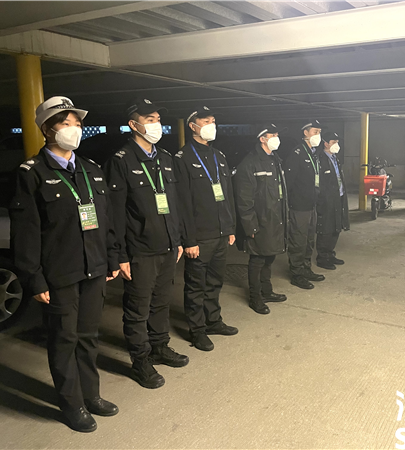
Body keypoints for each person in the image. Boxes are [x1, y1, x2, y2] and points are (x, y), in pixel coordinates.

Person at [10, 96, 120, 432]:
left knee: (88, 336)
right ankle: (72, 405)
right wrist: (34, 278)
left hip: (94, 268)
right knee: (63, 339)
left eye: (77, 124)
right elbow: (26, 232)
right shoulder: (32, 173)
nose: (74, 129)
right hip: (60, 273)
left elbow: (106, 220)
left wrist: (112, 257)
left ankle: (91, 395)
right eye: (65, 124)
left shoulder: (91, 169)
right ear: (47, 129)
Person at [104, 98, 189, 390]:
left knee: (161, 302)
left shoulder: (165, 158)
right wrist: (119, 255)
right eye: (149, 119)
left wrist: (178, 239)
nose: (156, 124)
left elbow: (174, 204)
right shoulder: (120, 161)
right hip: (139, 250)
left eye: (157, 119)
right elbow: (114, 213)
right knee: (137, 308)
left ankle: (159, 346)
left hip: (168, 245)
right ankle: (140, 361)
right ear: (133, 124)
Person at [174, 106, 238, 352]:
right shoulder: (182, 158)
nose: (211, 125)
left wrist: (230, 227)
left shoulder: (218, 155)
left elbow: (227, 195)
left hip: (221, 233)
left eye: (213, 120)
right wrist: (189, 240)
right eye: (206, 121)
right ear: (193, 126)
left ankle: (213, 321)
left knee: (215, 282)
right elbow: (182, 203)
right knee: (195, 286)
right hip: (200, 236)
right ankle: (197, 330)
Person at [233, 123, 289, 315]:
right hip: (259, 222)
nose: (276, 138)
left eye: (277, 134)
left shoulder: (275, 159)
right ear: (262, 139)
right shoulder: (249, 163)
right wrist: (250, 226)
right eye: (272, 135)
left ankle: (267, 291)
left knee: (269, 257)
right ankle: (255, 298)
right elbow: (244, 199)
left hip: (274, 219)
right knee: (257, 260)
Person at [283, 119, 326, 289]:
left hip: (311, 204)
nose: (318, 135)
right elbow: (289, 182)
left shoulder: (313, 153)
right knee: (298, 241)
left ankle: (306, 268)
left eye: (319, 132)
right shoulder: (297, 153)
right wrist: (290, 204)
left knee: (309, 240)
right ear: (305, 133)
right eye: (315, 132)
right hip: (299, 206)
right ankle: (296, 273)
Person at [316, 131, 350, 270]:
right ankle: (322, 258)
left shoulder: (335, 158)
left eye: (337, 142)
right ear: (326, 144)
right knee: (326, 229)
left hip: (338, 197)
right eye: (333, 142)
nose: (337, 145)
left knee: (336, 227)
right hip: (327, 200)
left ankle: (330, 254)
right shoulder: (320, 159)